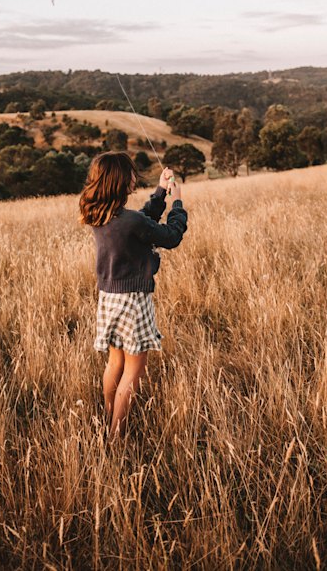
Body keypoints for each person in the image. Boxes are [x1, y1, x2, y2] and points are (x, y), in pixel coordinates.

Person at [79, 151, 188, 438]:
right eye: (129, 173)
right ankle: (116, 436)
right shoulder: (129, 222)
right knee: (133, 372)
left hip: (109, 300)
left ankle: (107, 415)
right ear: (118, 181)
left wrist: (160, 191)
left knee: (115, 362)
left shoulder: (100, 216)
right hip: (133, 302)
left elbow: (142, 219)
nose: (133, 177)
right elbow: (171, 236)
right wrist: (177, 202)